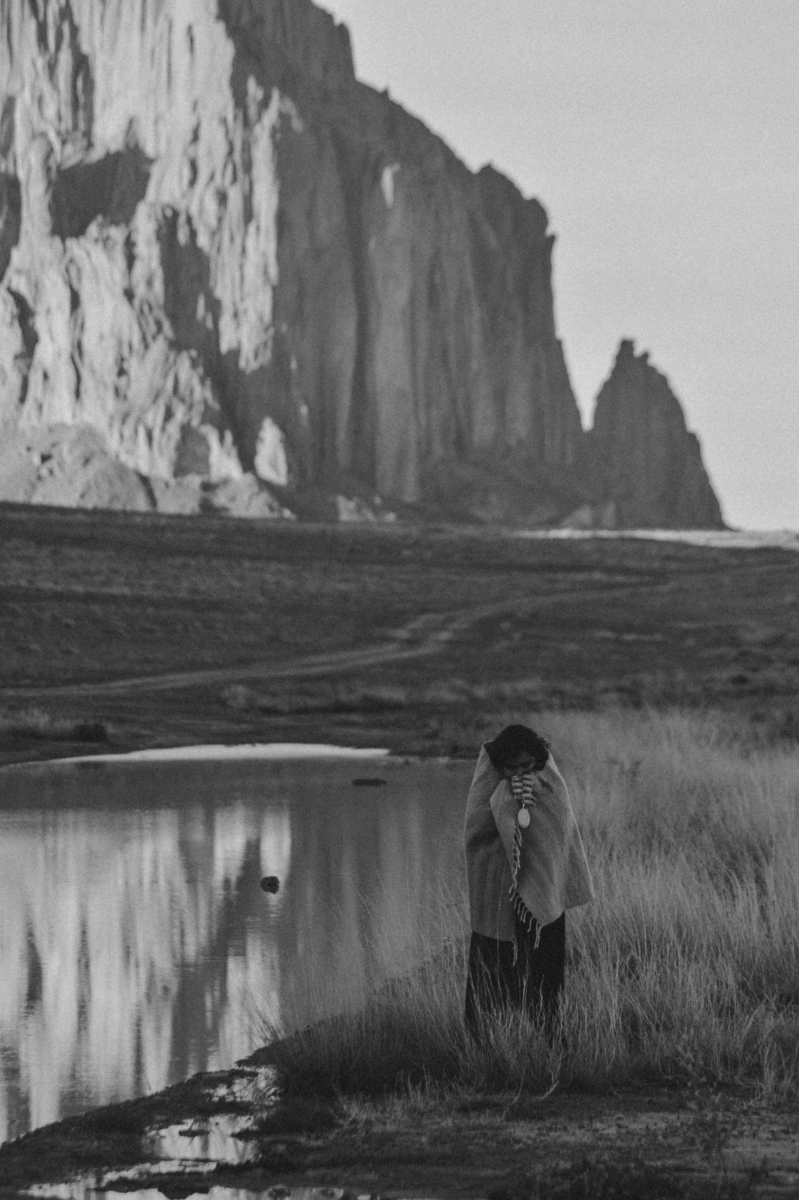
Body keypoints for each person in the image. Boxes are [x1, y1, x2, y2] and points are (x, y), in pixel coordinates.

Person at [463, 724, 594, 1038]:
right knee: (492, 969)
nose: (520, 773)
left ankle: (548, 1033)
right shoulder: (488, 789)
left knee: (544, 972)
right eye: (512, 768)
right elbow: (476, 839)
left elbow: (559, 839)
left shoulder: (550, 787)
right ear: (499, 766)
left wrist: (540, 875)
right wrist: (505, 805)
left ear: (538, 760)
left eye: (527, 765)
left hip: (544, 901)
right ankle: (488, 1040)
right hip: (500, 899)